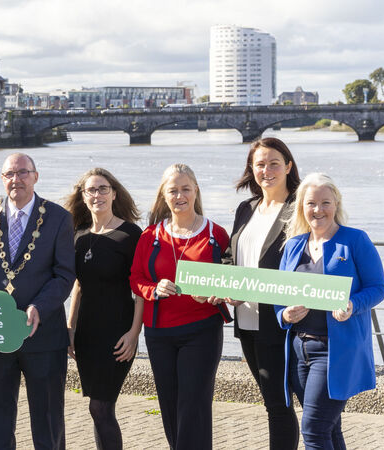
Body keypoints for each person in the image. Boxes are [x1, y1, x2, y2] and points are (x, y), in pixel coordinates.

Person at [0, 152, 76, 450]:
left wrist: (39, 306)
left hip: (43, 334)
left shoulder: (59, 218)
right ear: (2, 179)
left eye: (23, 172)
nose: (17, 179)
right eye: (10, 174)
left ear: (36, 177)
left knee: (48, 421)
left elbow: (64, 274)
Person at [276, 173, 384, 450]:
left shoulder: (355, 240)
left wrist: (352, 305)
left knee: (313, 430)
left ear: (336, 203)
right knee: (329, 428)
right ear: (302, 206)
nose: (318, 209)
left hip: (334, 352)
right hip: (299, 351)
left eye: (325, 202)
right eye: (311, 203)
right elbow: (279, 295)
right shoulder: (293, 245)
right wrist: (284, 315)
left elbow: (377, 288)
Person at [129, 163, 231, 450]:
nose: (180, 196)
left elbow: (230, 282)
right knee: (170, 405)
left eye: (186, 189)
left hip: (202, 330)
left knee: (193, 404)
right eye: (173, 190)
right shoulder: (150, 236)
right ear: (164, 195)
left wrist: (216, 293)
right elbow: (136, 279)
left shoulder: (216, 234)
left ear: (196, 191)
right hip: (159, 333)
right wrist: (153, 289)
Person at [209, 137, 301, 449]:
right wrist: (227, 286)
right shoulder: (246, 208)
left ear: (288, 166)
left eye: (274, 163)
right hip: (248, 322)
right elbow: (229, 256)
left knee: (280, 404)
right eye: (260, 164)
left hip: (282, 321)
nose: (267, 170)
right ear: (252, 168)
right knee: (273, 402)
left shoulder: (300, 208)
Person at [64, 168, 143, 450]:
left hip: (117, 332)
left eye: (103, 189)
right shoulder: (79, 235)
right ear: (83, 196)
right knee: (97, 408)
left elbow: (141, 289)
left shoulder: (130, 234)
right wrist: (70, 327)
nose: (97, 195)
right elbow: (78, 285)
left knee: (101, 406)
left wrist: (134, 334)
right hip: (87, 333)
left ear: (114, 193)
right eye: (91, 190)